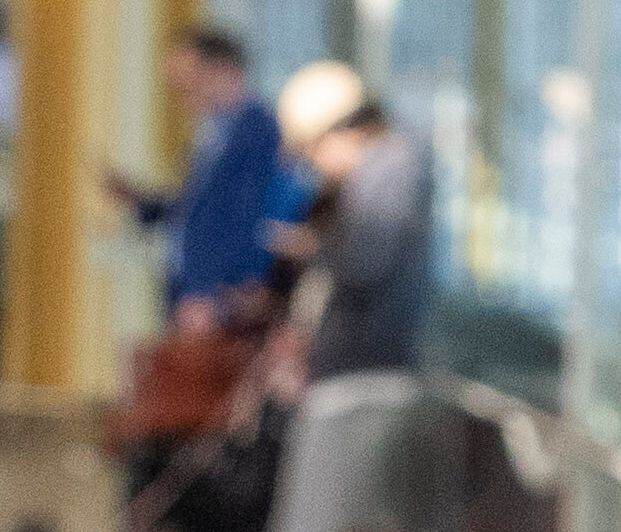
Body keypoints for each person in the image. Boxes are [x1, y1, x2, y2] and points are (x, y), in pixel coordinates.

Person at [114, 24, 300, 322]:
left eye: (191, 83)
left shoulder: (255, 130)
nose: (184, 96)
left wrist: (212, 289)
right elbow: (197, 210)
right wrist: (142, 204)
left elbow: (245, 216)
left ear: (222, 70)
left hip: (217, 295)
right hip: (189, 287)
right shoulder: (213, 134)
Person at [274, 63, 437, 379]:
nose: (316, 167)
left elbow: (363, 264)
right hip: (357, 361)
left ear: (341, 132)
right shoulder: (380, 171)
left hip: (367, 367)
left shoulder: (391, 173)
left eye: (313, 152)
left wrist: (312, 246)